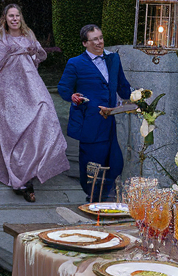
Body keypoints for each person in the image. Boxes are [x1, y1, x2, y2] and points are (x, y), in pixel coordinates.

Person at [0, 4, 70, 202]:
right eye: (10, 16)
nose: (14, 19)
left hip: (31, 86)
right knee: (14, 131)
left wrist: (33, 49)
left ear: (21, 18)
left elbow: (40, 56)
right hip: (8, 90)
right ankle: (22, 178)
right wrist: (8, 52)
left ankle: (34, 166)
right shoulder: (2, 40)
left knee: (44, 113)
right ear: (5, 19)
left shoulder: (28, 36)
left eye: (17, 15)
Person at [57, 24, 134, 202]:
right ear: (85, 43)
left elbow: (123, 86)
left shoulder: (114, 59)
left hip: (110, 120)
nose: (99, 42)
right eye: (94, 39)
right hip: (89, 121)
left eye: (100, 38)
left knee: (115, 161)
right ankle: (93, 195)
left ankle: (104, 193)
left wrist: (138, 96)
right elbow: (63, 88)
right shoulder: (75, 63)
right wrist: (73, 96)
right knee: (92, 162)